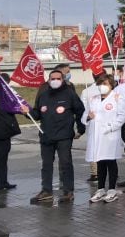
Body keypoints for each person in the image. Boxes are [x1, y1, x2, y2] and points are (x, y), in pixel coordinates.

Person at [29, 69, 85, 205]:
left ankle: (68, 191)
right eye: (52, 78)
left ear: (63, 80)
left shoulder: (70, 94)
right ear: (48, 80)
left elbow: (80, 111)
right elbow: (37, 114)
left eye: (57, 78)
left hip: (64, 136)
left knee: (65, 163)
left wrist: (81, 129)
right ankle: (46, 190)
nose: (54, 81)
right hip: (46, 136)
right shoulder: (43, 95)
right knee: (46, 164)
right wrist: (28, 111)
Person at [82, 75, 125, 203]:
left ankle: (112, 190)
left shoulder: (118, 98)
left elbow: (122, 116)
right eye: (100, 83)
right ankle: (100, 189)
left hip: (110, 136)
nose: (103, 86)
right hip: (96, 136)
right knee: (99, 162)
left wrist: (110, 127)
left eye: (106, 83)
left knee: (110, 161)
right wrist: (87, 117)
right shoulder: (93, 99)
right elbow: (84, 115)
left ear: (111, 85)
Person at [0, 72, 21, 191]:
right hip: (1, 133)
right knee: (2, 161)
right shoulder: (6, 95)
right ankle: (2, 184)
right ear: (6, 82)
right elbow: (17, 109)